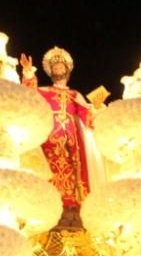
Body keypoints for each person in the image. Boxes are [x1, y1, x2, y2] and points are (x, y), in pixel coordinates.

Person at [20, 47, 104, 210]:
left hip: (71, 137)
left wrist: (96, 107)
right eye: (55, 66)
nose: (58, 68)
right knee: (49, 163)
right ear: (51, 71)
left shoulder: (74, 95)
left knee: (72, 165)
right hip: (50, 133)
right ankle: (49, 198)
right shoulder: (45, 91)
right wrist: (28, 71)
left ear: (67, 70)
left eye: (61, 66)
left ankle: (71, 200)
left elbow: (87, 117)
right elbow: (29, 93)